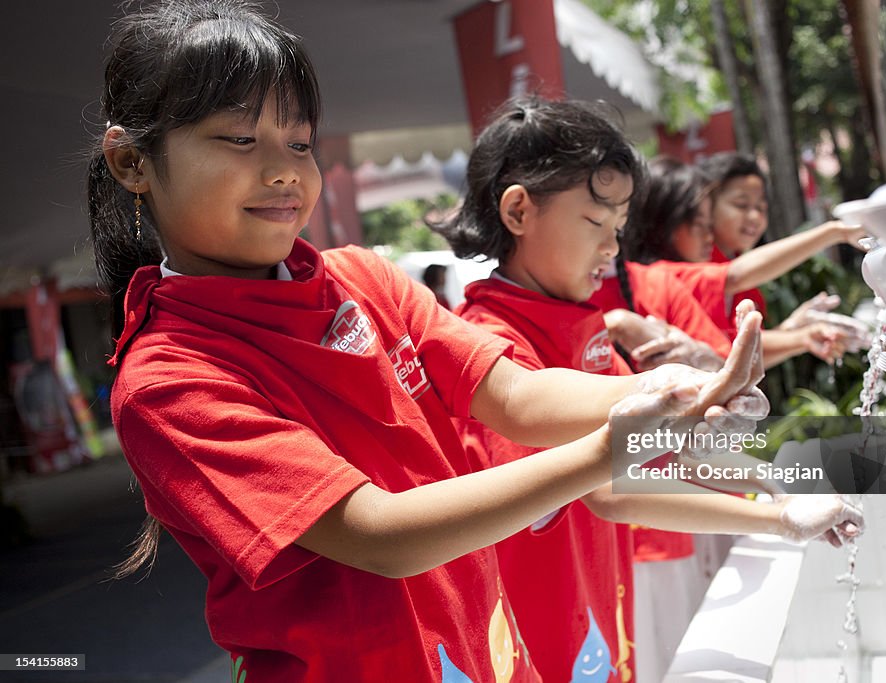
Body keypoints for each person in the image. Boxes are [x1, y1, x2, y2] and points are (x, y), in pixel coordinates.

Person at [88, 3, 773, 681]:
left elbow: (515, 393)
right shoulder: (166, 378)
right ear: (131, 161)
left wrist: (673, 388)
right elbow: (381, 534)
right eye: (239, 140)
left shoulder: (361, 276)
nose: (283, 170)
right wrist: (612, 446)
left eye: (299, 142)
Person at [434, 96, 865, 683]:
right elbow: (610, 490)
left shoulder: (580, 325)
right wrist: (777, 518)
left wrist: (772, 485)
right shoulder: (489, 346)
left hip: (597, 603)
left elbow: (654, 456)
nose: (612, 249)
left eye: (618, 227)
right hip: (537, 630)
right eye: (594, 223)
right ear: (518, 211)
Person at [616, 156, 873, 368]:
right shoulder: (664, 276)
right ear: (664, 222)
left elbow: (729, 358)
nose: (709, 235)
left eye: (762, 208)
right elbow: (736, 276)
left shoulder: (678, 273)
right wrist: (834, 232)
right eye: (741, 204)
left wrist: (794, 334)